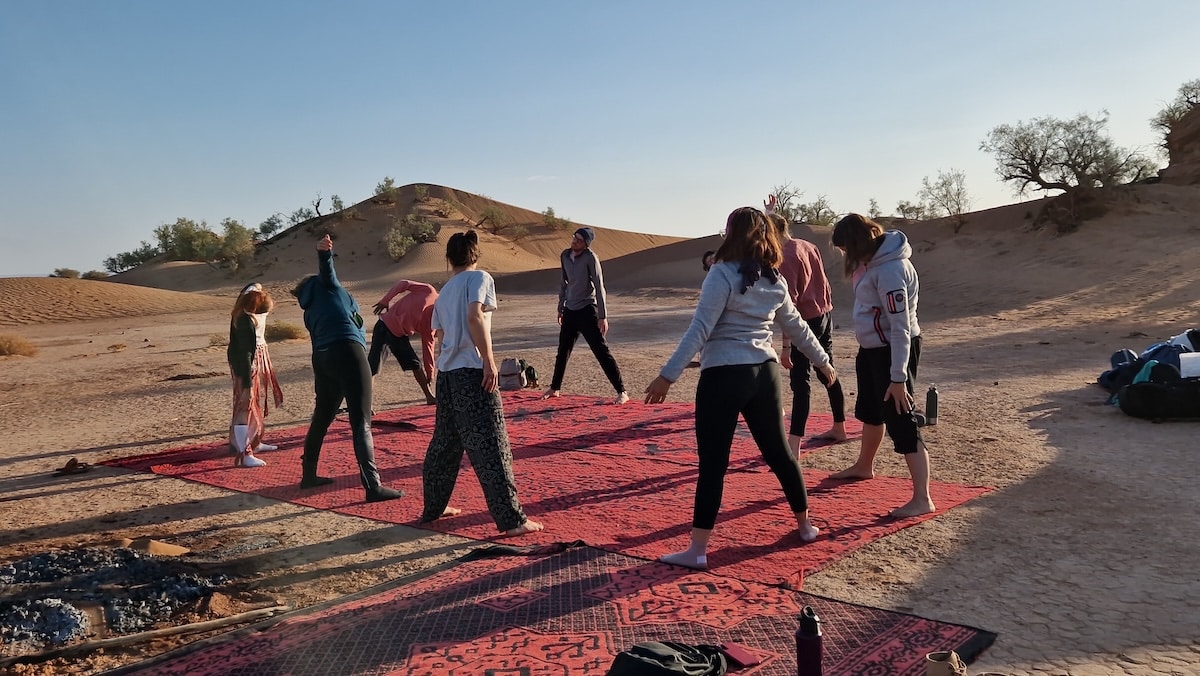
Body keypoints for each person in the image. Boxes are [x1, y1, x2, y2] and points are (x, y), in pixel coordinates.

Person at [644, 206, 838, 570]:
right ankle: (806, 525)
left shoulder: (721, 274)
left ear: (731, 234)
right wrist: (823, 362)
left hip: (723, 377)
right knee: (781, 454)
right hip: (764, 376)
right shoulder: (773, 280)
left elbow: (700, 329)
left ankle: (697, 550)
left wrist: (667, 375)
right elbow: (797, 329)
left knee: (714, 465)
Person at [420, 230, 543, 536]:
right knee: (492, 446)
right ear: (475, 255)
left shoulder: (445, 290)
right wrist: (488, 360)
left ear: (450, 258)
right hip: (471, 372)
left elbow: (439, 335)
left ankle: (434, 507)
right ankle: (512, 520)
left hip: (448, 377)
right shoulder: (480, 278)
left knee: (444, 445)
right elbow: (475, 317)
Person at [827, 214, 934, 518]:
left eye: (846, 248)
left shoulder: (889, 270)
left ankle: (922, 497)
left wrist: (898, 378)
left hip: (893, 351)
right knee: (872, 411)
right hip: (874, 349)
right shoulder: (872, 265)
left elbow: (899, 327)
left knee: (901, 417)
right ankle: (864, 466)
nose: (846, 255)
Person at [292, 234, 403, 503]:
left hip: (323, 358)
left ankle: (308, 475)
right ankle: (373, 486)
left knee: (322, 417)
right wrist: (324, 254)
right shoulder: (327, 286)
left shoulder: (310, 308)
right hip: (349, 354)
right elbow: (327, 271)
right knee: (361, 420)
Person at [764, 196, 848, 454]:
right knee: (827, 368)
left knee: (800, 381)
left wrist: (786, 346)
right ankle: (839, 426)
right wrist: (769, 212)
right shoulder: (807, 245)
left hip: (804, 320)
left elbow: (788, 304)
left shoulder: (784, 257)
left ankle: (794, 443)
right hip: (824, 313)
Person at [543, 227, 630, 404]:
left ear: (586, 244)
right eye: (574, 238)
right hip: (570, 309)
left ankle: (622, 392)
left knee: (601, 351)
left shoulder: (591, 258)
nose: (575, 241)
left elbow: (599, 286)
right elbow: (564, 283)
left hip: (587, 309)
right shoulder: (565, 255)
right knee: (563, 351)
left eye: (579, 240)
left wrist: (602, 316)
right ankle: (555, 388)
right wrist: (560, 307)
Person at [226, 282, 284, 468]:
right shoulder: (245, 321)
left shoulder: (248, 310)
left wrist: (255, 287)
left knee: (253, 403)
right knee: (245, 405)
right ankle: (245, 454)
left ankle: (254, 443)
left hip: (255, 360)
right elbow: (244, 352)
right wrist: (246, 378)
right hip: (246, 364)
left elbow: (252, 287)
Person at [369, 278, 438, 405]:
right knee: (373, 368)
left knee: (416, 365)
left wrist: (430, 372)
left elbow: (428, 345)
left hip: (399, 336)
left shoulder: (433, 322)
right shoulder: (428, 291)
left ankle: (429, 396)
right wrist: (385, 300)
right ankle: (366, 404)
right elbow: (403, 284)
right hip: (384, 328)